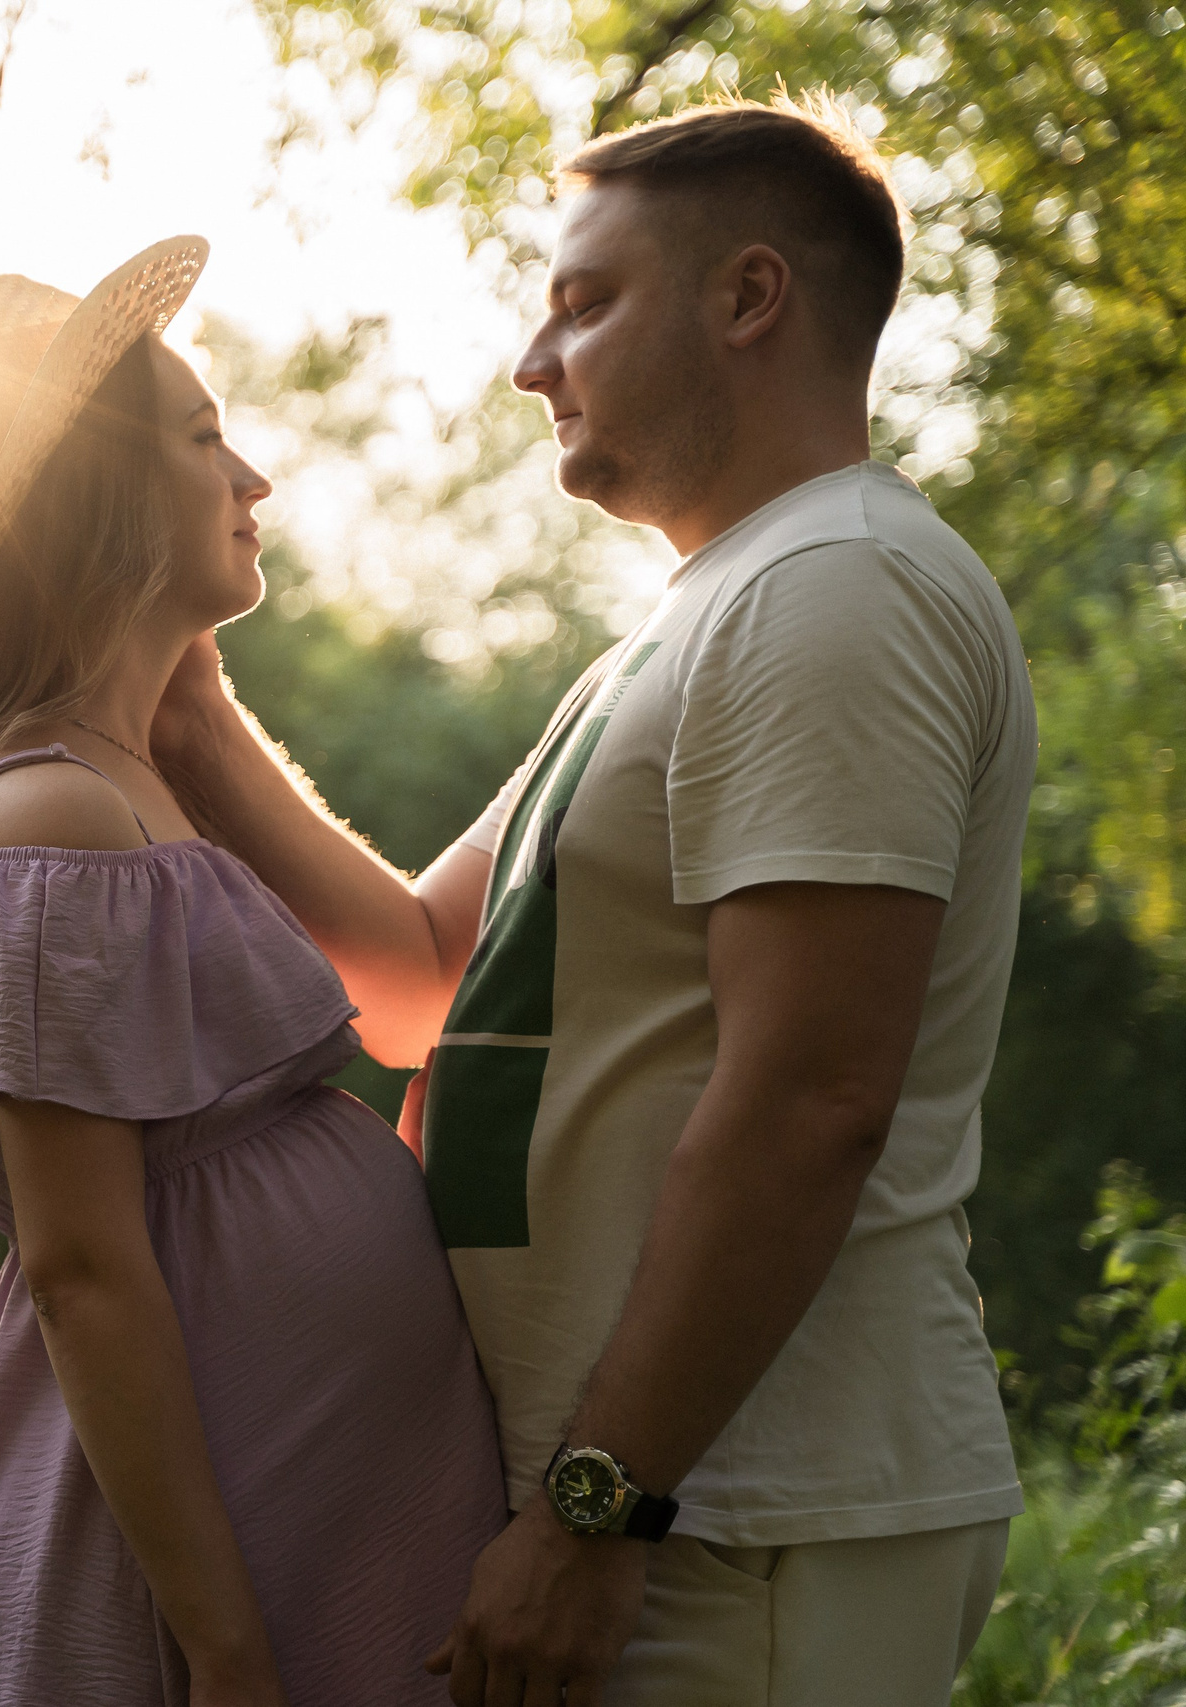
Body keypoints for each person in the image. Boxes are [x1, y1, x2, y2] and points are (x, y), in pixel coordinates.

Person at [153, 96, 1035, 1705]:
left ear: (749, 298)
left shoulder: (842, 586)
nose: (528, 360)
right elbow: (424, 983)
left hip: (745, 1517)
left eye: (582, 302)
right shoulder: (701, 618)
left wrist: (596, 1509)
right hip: (665, 1509)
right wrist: (191, 704)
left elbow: (809, 1098)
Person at [0, 237, 505, 1707]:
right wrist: (226, 1648)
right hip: (179, 1608)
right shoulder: (45, 820)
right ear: (104, 496)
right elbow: (83, 1268)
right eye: (203, 440)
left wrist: (192, 708)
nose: (254, 477)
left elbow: (415, 994)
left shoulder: (128, 784)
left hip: (306, 1540)